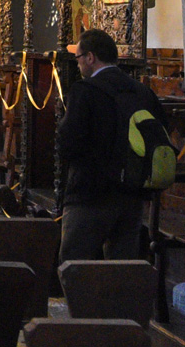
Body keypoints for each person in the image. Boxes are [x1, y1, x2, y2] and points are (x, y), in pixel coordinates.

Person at [57, 28, 165, 261]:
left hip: (90, 193)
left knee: (75, 263)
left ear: (90, 57)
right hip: (132, 194)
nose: (77, 64)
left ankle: (84, 301)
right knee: (122, 267)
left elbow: (67, 143)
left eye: (78, 58)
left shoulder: (84, 91)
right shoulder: (143, 92)